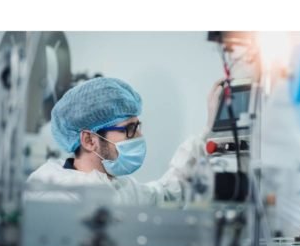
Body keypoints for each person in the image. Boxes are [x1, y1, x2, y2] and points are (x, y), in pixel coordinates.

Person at [27, 77, 221, 205]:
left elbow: (167, 193)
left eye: (138, 127)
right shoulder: (56, 193)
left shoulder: (122, 187)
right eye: (129, 129)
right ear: (89, 140)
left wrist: (208, 130)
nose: (139, 137)